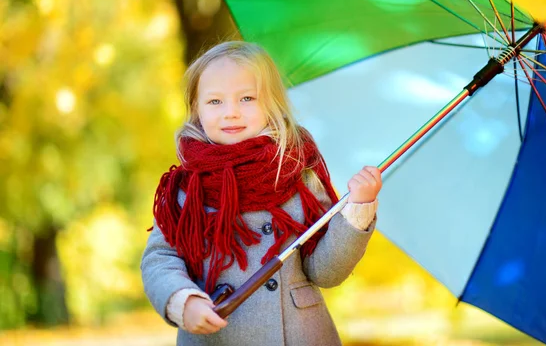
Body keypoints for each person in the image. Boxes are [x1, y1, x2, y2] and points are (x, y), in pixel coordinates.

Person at [141, 41, 381, 346]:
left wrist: (358, 209)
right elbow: (160, 259)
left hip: (299, 335)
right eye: (215, 101)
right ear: (196, 109)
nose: (231, 113)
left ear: (272, 104)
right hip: (217, 335)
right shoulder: (187, 187)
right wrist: (183, 301)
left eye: (247, 98)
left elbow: (326, 272)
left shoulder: (296, 170)